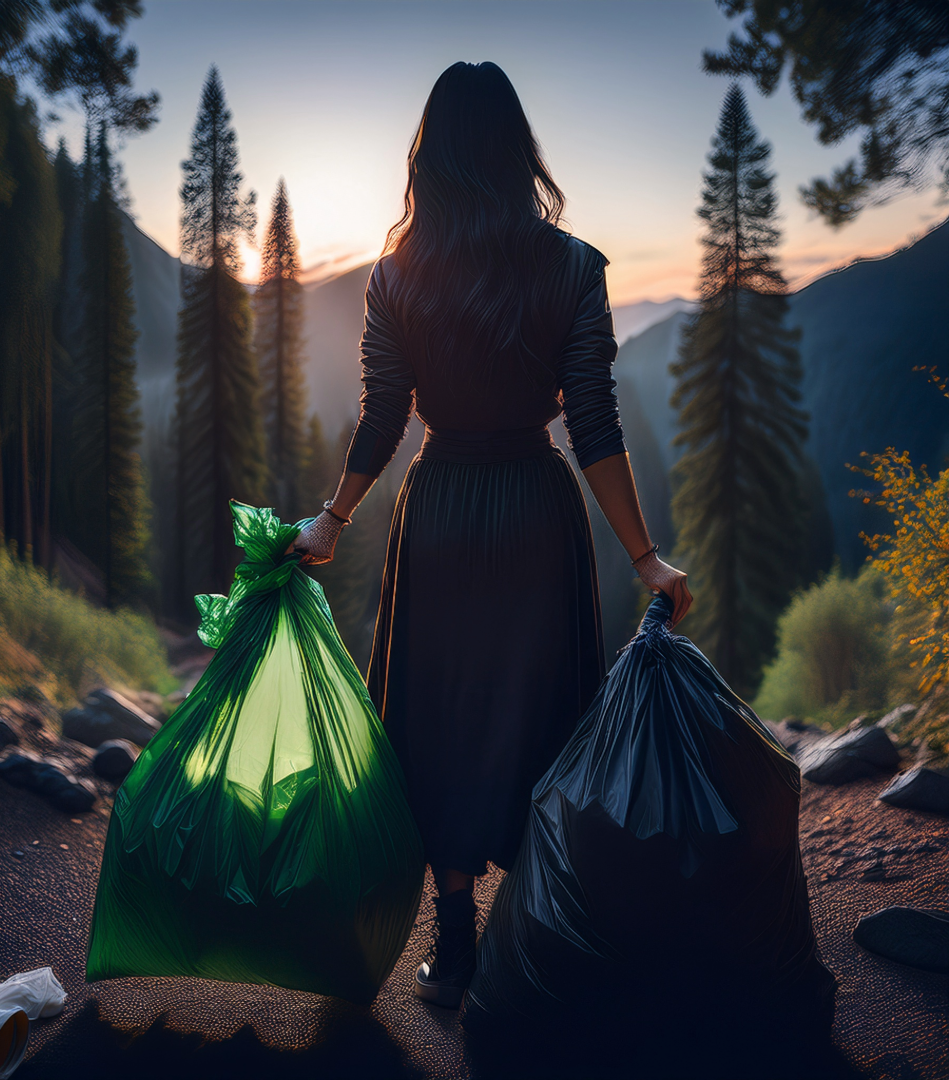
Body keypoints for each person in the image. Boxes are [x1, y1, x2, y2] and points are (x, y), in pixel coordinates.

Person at [291, 61, 692, 1008]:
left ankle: (457, 946)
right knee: (541, 714)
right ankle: (539, 936)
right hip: (535, 514)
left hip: (436, 514)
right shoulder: (574, 266)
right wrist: (645, 556)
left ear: (427, 157)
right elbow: (594, 424)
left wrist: (334, 518)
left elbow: (384, 416)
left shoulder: (397, 276)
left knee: (438, 718)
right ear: (520, 154)